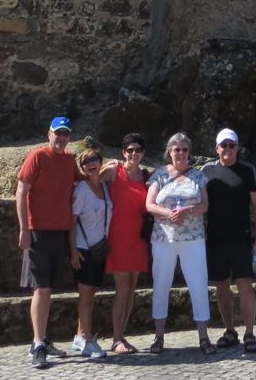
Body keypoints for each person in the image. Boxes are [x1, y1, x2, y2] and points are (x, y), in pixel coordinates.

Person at [16, 115, 79, 370]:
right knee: (41, 289)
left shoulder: (69, 159)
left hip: (60, 232)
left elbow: (84, 178)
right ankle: (38, 343)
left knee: (48, 288)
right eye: (57, 133)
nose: (61, 138)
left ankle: (42, 338)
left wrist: (111, 168)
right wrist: (24, 229)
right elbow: (21, 192)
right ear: (49, 134)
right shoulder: (37, 157)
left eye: (65, 134)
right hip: (38, 232)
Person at [145, 131, 214, 355]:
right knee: (161, 285)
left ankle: (203, 337)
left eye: (185, 149)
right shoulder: (159, 174)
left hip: (192, 238)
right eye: (177, 149)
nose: (181, 153)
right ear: (170, 152)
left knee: (198, 285)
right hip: (164, 238)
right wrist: (168, 213)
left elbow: (205, 205)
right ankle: (158, 337)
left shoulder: (198, 176)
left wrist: (188, 211)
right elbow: (149, 204)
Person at [202, 127, 256, 353]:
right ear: (216, 148)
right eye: (224, 145)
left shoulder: (248, 170)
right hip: (215, 240)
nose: (228, 149)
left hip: (241, 239)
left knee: (245, 284)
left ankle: (249, 333)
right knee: (221, 286)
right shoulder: (206, 171)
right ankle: (230, 331)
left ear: (237, 147)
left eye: (232, 145)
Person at [97, 132, 151, 354]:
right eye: (130, 150)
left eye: (138, 150)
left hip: (138, 238)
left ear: (143, 153)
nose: (134, 154)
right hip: (117, 237)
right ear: (123, 152)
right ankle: (116, 338)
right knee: (122, 289)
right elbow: (89, 177)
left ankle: (122, 335)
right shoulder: (114, 170)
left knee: (131, 290)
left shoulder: (148, 176)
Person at [69, 145, 114, 360]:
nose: (91, 164)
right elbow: (72, 221)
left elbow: (118, 166)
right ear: (82, 168)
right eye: (86, 162)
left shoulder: (104, 187)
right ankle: (87, 341)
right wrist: (73, 252)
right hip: (84, 249)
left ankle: (80, 336)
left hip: (99, 249)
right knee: (85, 297)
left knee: (91, 295)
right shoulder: (82, 190)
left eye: (94, 159)